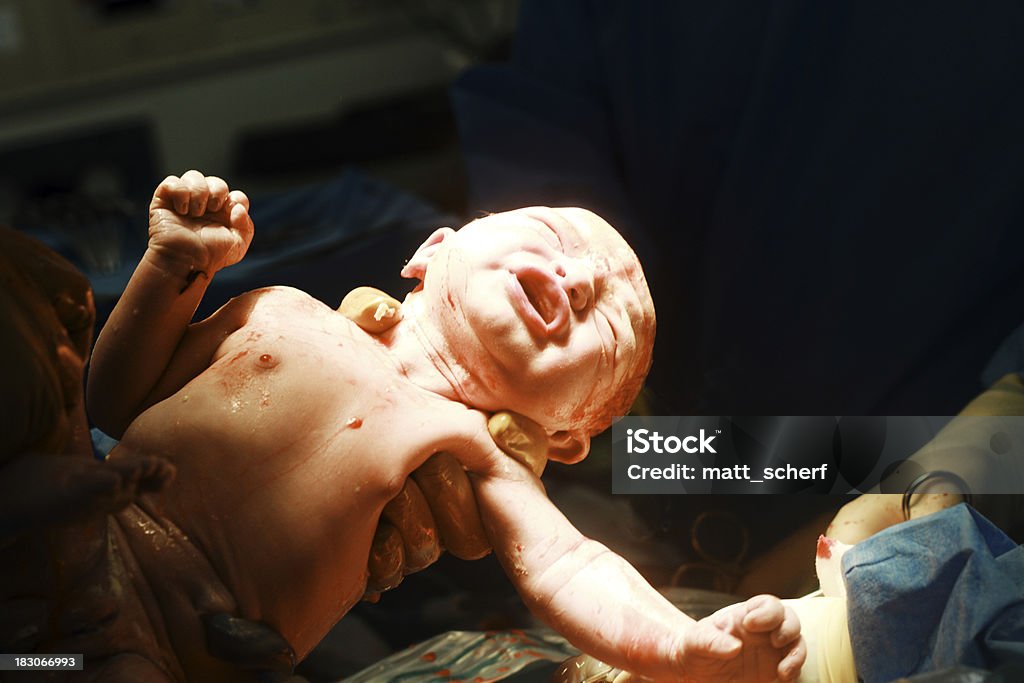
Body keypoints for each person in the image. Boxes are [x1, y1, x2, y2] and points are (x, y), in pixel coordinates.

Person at [84, 170, 806, 681]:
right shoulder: (279, 308)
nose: (580, 279)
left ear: (563, 434)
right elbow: (116, 399)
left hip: (175, 657)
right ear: (432, 251)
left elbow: (572, 567)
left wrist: (682, 646)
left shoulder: (475, 451)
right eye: (552, 234)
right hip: (74, 537)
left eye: (608, 323)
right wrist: (172, 265)